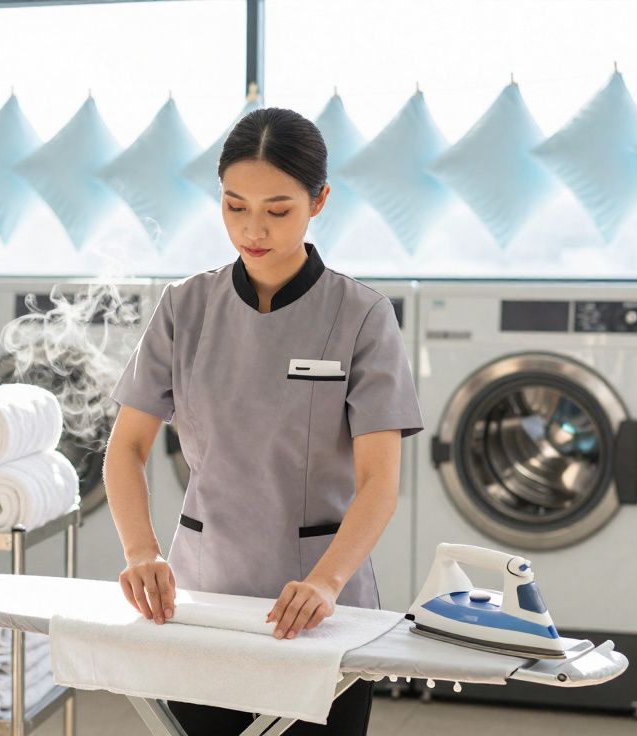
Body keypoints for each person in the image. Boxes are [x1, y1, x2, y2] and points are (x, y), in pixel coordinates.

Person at [103, 107, 424, 735]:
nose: (253, 229)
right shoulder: (184, 306)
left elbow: (379, 481)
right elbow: (127, 448)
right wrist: (140, 551)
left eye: (278, 210)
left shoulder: (362, 316)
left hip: (319, 602)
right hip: (205, 595)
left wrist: (326, 582)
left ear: (319, 201)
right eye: (234, 206)